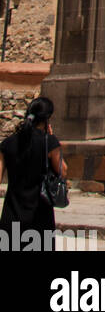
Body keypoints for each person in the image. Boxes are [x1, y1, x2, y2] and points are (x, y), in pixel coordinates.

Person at [0, 95, 66, 249]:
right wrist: (52, 139)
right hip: (39, 215)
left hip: (12, 214)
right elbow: (63, 171)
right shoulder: (48, 142)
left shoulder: (7, 143)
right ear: (47, 119)